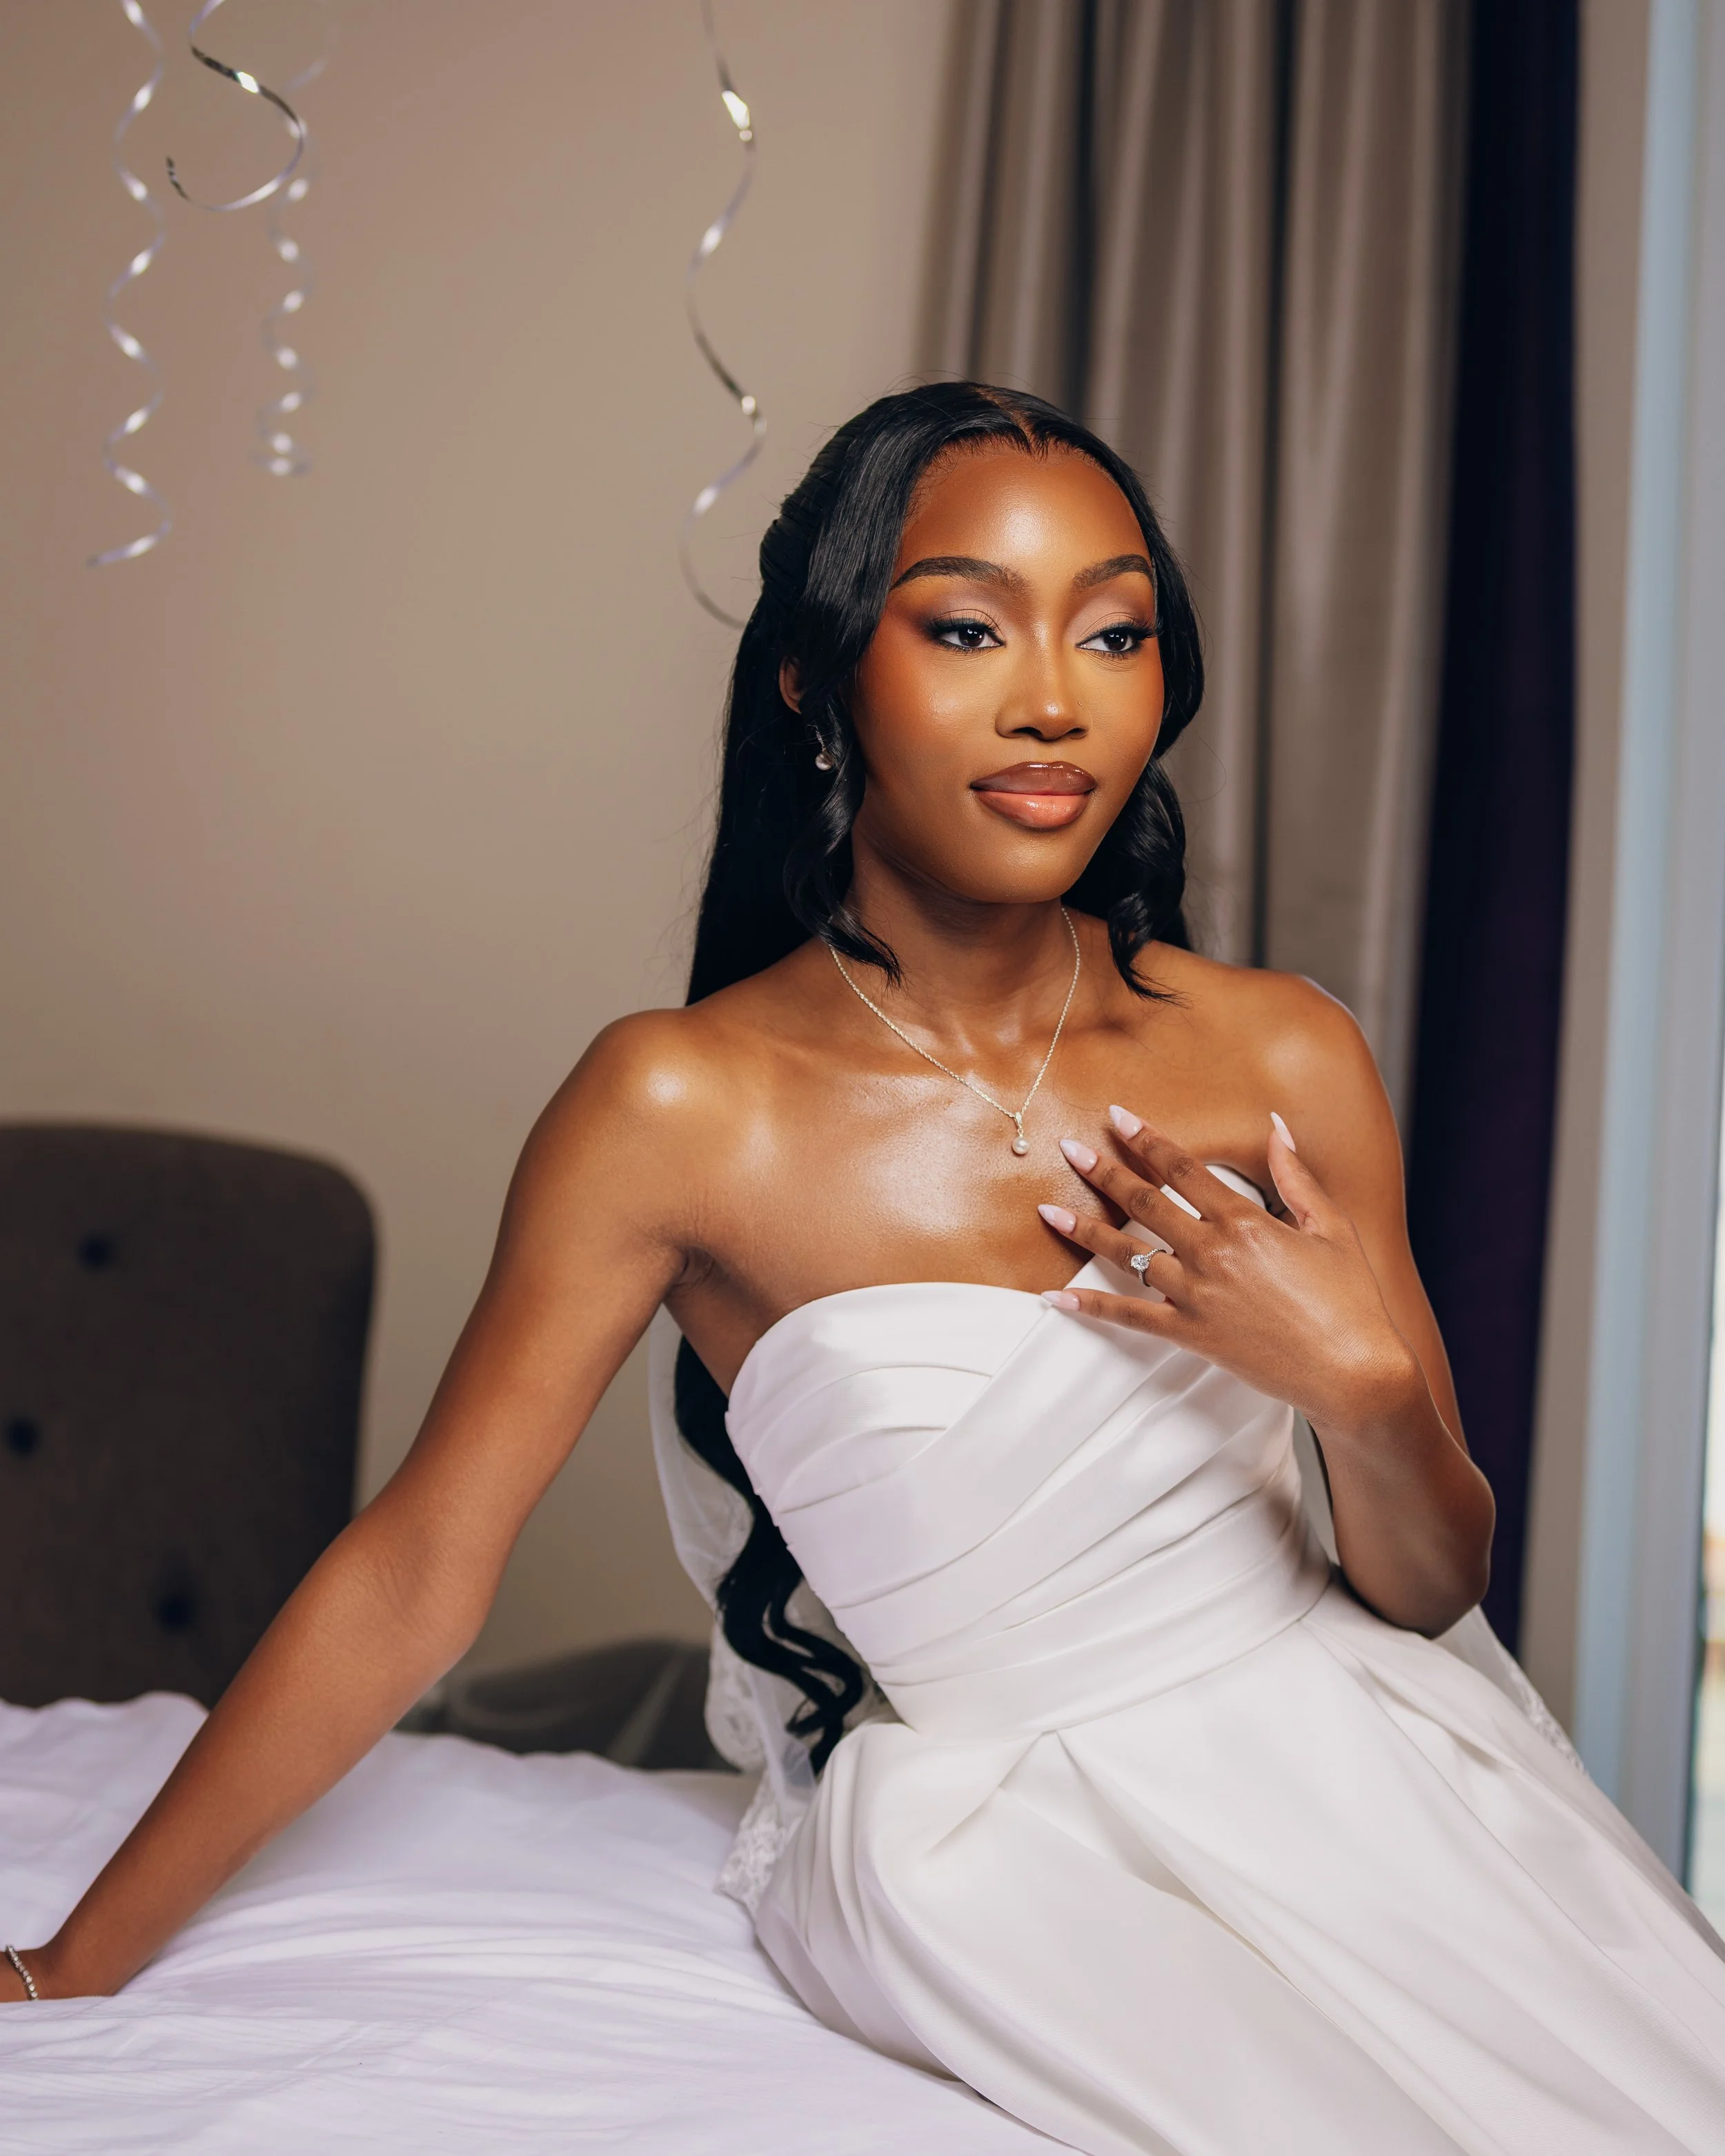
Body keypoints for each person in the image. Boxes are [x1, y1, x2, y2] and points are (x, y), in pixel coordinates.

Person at [3, 383, 1722, 2153]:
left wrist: (1353, 1386)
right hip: (1002, 1858)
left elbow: (1429, 1582)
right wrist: (71, 1965)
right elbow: (413, 1572)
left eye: (1113, 631)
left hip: (1387, 1776)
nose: (1052, 697)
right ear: (817, 683)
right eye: (966, 626)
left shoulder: (1281, 1055)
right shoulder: (677, 1105)